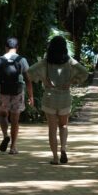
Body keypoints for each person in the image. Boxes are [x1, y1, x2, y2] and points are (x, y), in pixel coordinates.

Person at [28, 36, 89, 164]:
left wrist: (43, 80)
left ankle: (55, 158)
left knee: (52, 128)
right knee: (63, 125)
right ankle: (63, 149)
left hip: (50, 97)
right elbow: (84, 72)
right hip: (64, 97)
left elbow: (30, 71)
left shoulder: (46, 61)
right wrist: (72, 81)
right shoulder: (69, 61)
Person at [0, 37, 33, 155]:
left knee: (3, 115)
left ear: (6, 47)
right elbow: (28, 80)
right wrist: (31, 96)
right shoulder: (22, 60)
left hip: (3, 91)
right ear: (17, 47)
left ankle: (5, 135)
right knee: (15, 120)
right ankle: (13, 147)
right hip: (18, 92)